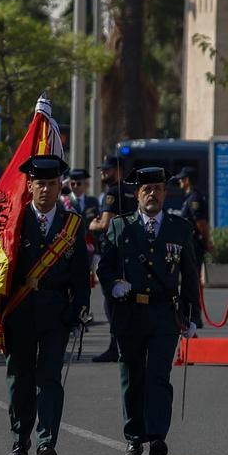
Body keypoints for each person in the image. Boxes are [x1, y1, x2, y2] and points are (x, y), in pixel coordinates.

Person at [99, 166, 202, 455]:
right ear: (136, 194)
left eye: (157, 189)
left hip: (163, 313)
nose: (152, 194)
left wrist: (192, 315)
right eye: (146, 190)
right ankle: (134, 438)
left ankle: (156, 437)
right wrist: (113, 285)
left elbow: (190, 274)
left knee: (158, 375)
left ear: (165, 193)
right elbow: (104, 266)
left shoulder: (178, 228)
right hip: (130, 312)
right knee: (131, 377)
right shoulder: (121, 227)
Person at [0, 155, 91, 455]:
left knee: (49, 376)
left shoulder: (72, 224)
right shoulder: (15, 221)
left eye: (52, 184)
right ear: (30, 185)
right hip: (20, 309)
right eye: (40, 184)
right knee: (20, 376)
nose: (46, 190)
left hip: (56, 310)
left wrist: (77, 309)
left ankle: (46, 440)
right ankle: (20, 436)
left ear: (59, 187)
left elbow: (81, 273)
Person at [89, 154, 131, 363]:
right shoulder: (132, 190)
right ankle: (125, 344)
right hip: (129, 253)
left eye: (107, 169)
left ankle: (115, 346)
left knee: (111, 302)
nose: (103, 173)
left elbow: (105, 224)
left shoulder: (113, 193)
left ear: (118, 169)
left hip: (112, 253)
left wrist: (92, 225)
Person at [170, 167, 211, 261]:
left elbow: (200, 222)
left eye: (181, 178)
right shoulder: (190, 197)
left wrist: (207, 242)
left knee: (193, 272)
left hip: (194, 243)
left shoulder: (194, 198)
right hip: (188, 242)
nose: (179, 181)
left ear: (187, 180)